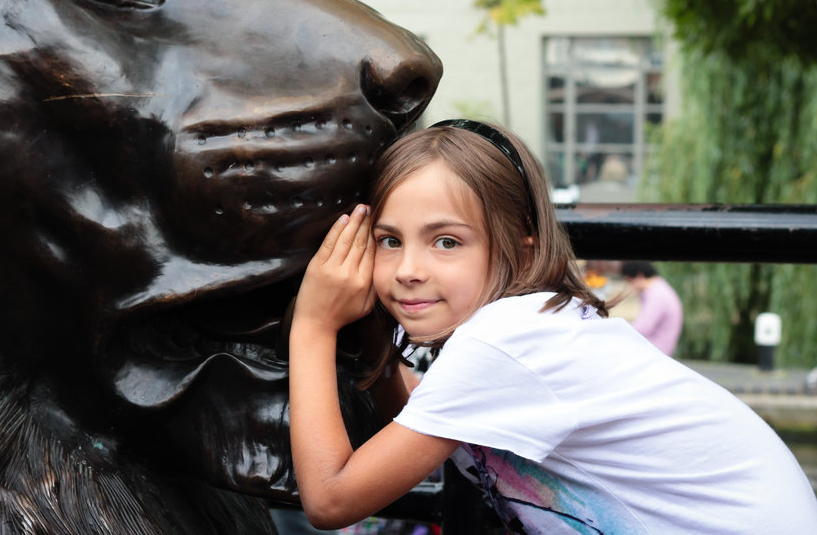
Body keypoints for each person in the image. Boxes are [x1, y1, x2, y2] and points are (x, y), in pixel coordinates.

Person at [288, 119, 817, 534]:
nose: (408, 270)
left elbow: (331, 499)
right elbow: (422, 421)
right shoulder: (537, 323)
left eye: (447, 241)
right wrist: (376, 341)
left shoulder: (506, 338)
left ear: (524, 248)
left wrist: (313, 325)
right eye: (389, 240)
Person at [621, 260, 683, 355]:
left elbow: (643, 328)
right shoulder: (658, 288)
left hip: (657, 351)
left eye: (629, 281)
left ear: (639, 276)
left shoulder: (657, 294)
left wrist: (619, 329)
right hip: (656, 348)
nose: (629, 286)